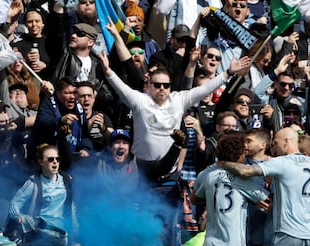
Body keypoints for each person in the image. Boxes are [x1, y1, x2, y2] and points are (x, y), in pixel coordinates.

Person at [102, 51, 249, 162]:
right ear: (149, 84)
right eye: (157, 85)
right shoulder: (139, 100)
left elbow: (206, 89)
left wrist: (228, 73)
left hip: (168, 169)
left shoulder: (179, 99)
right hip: (141, 167)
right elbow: (120, 87)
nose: (162, 88)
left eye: (166, 85)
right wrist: (108, 71)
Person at [7, 143, 75, 246]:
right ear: (41, 162)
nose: (55, 162)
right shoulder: (33, 182)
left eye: (58, 159)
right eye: (50, 159)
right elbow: (14, 203)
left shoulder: (66, 180)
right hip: (40, 234)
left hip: (62, 235)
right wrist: (19, 216)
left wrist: (75, 233)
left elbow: (72, 208)